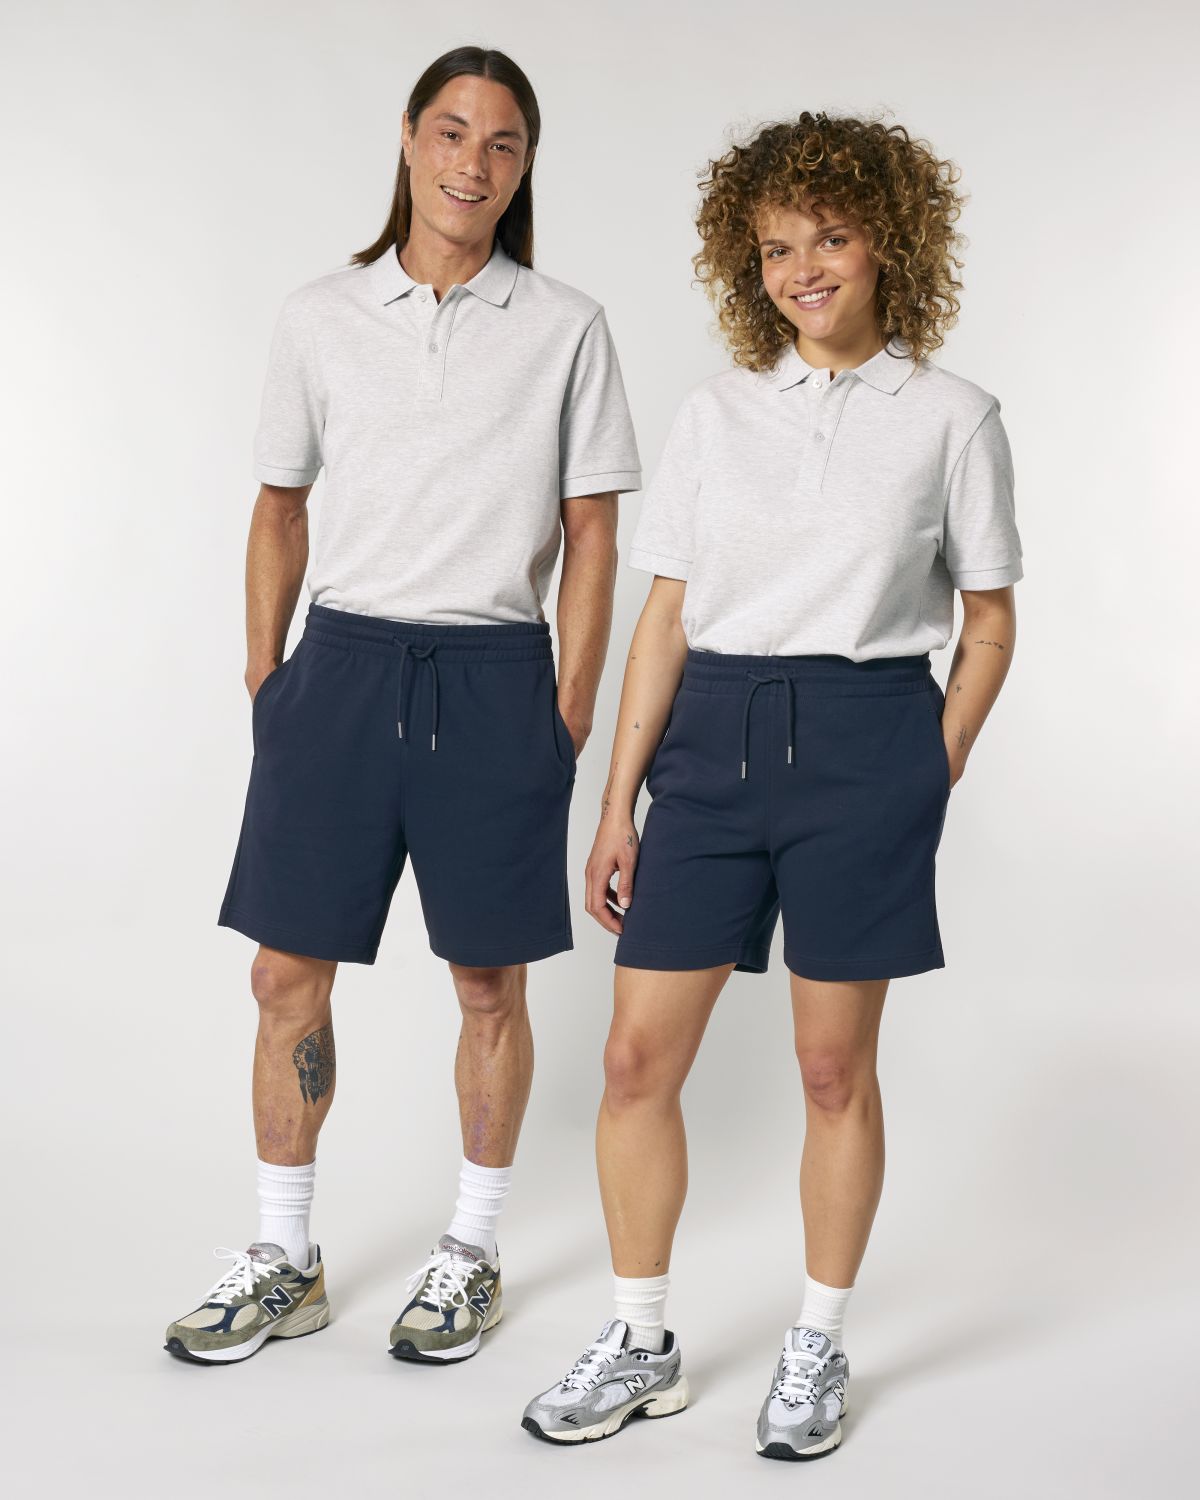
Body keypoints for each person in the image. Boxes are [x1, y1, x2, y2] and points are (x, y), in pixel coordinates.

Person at [522, 111, 1023, 1457]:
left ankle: (817, 1344)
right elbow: (666, 617)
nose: (802, 269)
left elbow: (989, 617)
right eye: (776, 247)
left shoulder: (954, 417)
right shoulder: (716, 413)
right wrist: (618, 802)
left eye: (831, 237)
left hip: (869, 739)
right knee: (634, 1058)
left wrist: (931, 767)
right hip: (713, 741)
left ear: (889, 242)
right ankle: (641, 1342)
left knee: (828, 1067)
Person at [164, 46, 640, 1365]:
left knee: (486, 982)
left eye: (502, 143)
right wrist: (268, 679)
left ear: (524, 167)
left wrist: (570, 707)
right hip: (340, 673)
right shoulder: (321, 315)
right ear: (409, 138)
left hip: (494, 677)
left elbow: (593, 534)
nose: (472, 164)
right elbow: (279, 505)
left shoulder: (566, 327)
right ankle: (285, 1257)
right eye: (451, 131)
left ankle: (471, 1254)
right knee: (283, 974)